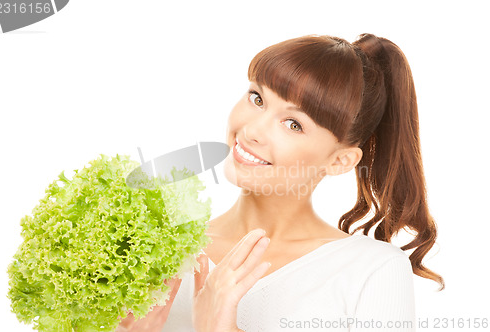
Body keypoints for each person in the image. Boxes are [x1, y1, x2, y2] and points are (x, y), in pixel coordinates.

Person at [117, 33, 444, 332]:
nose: (252, 131)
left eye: (293, 124)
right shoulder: (158, 252)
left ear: (339, 160)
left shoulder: (372, 271)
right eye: (257, 98)